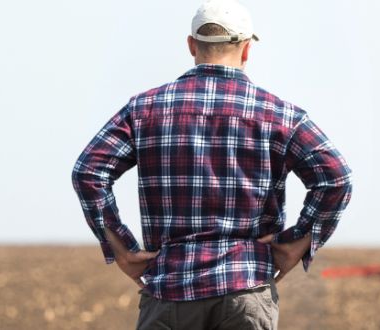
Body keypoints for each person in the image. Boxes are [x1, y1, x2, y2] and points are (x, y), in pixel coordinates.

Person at [70, 1, 352, 329]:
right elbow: (336, 177)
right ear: (247, 50)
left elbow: (89, 171)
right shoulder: (281, 116)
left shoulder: (143, 110)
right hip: (245, 289)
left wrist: (122, 249)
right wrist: (298, 243)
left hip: (169, 290)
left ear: (191, 46)